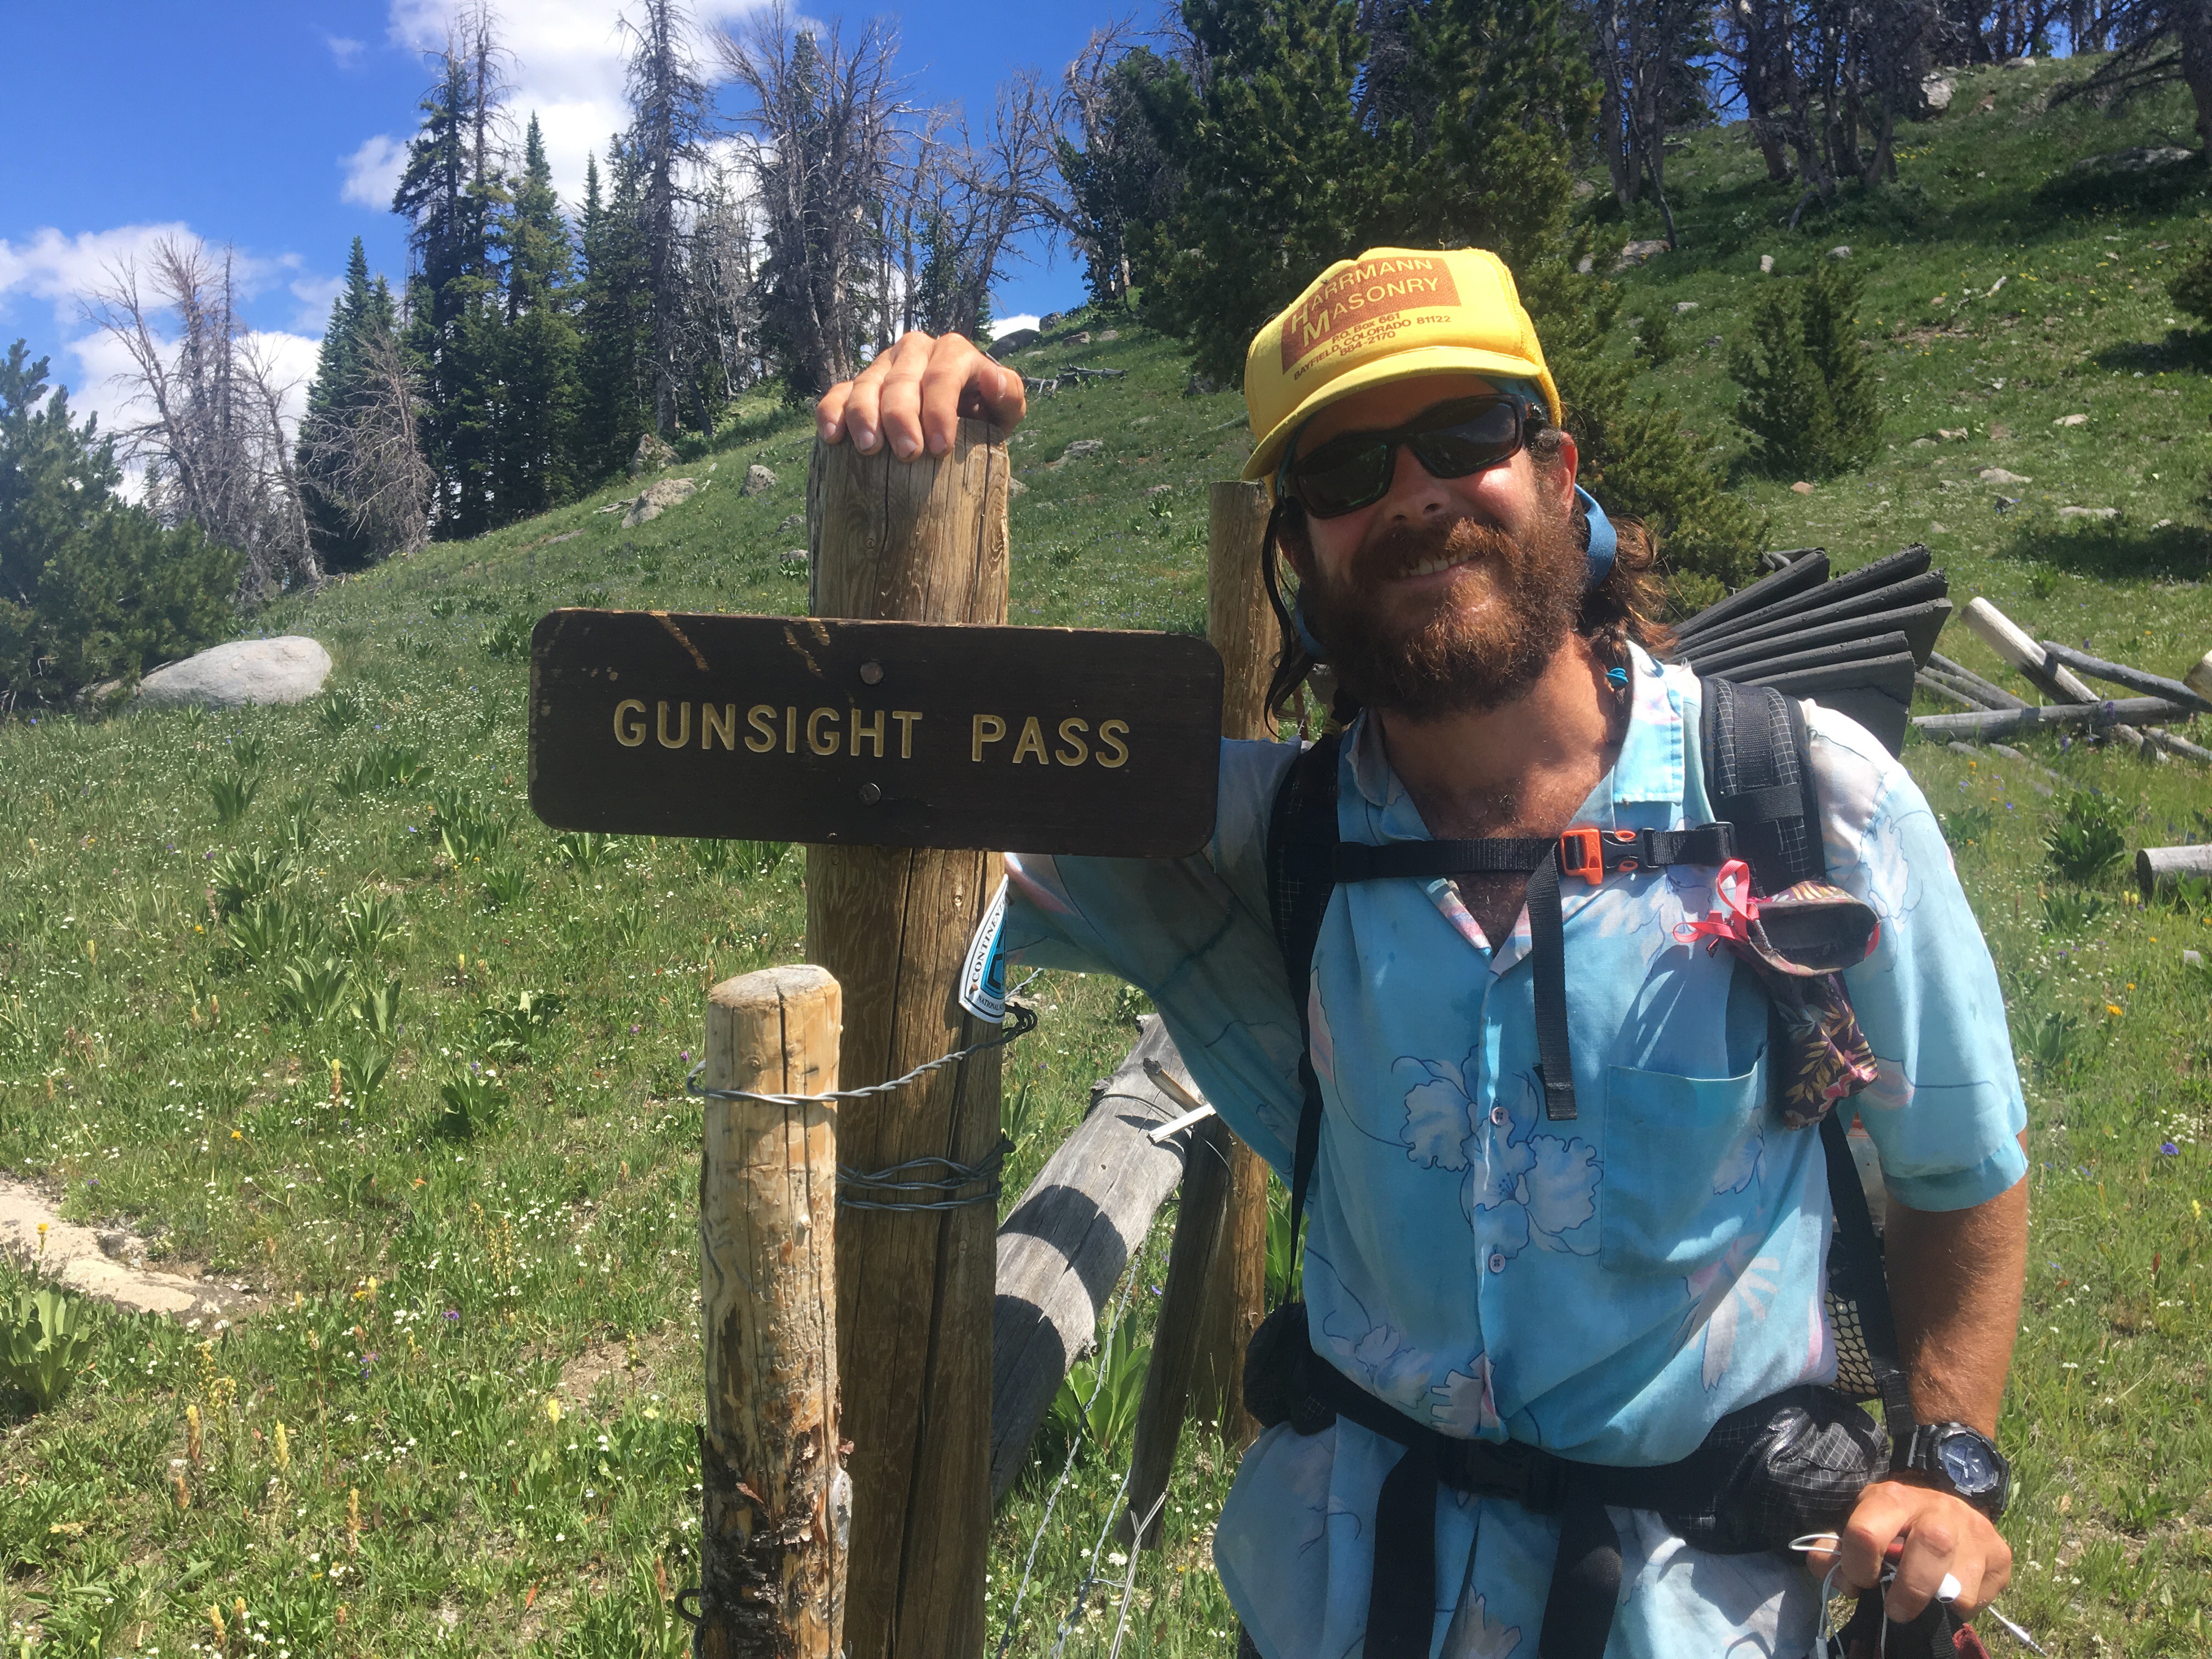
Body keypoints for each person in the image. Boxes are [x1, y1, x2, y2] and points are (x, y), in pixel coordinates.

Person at [816, 247, 2028, 1659]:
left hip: (1700, 1613)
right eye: (1345, 472)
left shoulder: (1803, 798)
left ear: (1556, 471)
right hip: (1346, 1604)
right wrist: (914, 470)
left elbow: (1959, 1165)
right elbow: (916, 797)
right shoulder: (1270, 836)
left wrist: (1947, 1468)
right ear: (1297, 553)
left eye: (1462, 436)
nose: (1412, 496)